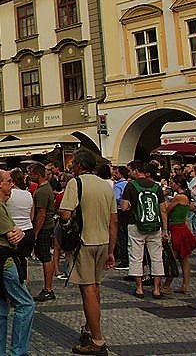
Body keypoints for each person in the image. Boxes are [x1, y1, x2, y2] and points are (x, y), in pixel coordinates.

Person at [60, 149, 117, 356]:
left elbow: (65, 213)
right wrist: (111, 250)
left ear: (79, 165)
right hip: (102, 241)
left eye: (73, 163)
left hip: (85, 241)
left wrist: (69, 221)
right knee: (96, 288)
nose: (71, 166)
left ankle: (97, 340)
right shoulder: (105, 185)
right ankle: (90, 328)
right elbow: (114, 222)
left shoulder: (76, 183)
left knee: (88, 290)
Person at [0, 169, 34, 356]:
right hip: (4, 262)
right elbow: (13, 235)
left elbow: (15, 232)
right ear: (0, 184)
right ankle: (18, 352)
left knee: (1, 305)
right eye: (9, 181)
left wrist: (18, 231)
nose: (12, 184)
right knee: (26, 304)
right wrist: (20, 232)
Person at [121, 161, 167, 299]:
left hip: (136, 225)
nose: (129, 173)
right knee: (156, 257)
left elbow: (124, 207)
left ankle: (139, 289)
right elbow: (163, 209)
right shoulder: (156, 186)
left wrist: (130, 207)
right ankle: (157, 289)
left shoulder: (131, 186)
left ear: (136, 171)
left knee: (136, 256)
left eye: (130, 170)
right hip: (154, 226)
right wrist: (165, 229)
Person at [163, 176, 196, 294]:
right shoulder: (185, 196)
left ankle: (167, 285)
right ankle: (185, 285)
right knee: (184, 258)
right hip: (182, 227)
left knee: (173, 258)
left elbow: (167, 210)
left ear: (178, 184)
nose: (171, 184)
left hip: (177, 229)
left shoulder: (179, 197)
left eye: (172, 183)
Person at [30, 162, 57, 302]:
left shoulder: (42, 191)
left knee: (45, 256)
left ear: (38, 174)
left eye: (31, 173)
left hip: (44, 227)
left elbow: (41, 213)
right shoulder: (45, 188)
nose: (29, 176)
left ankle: (48, 288)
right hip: (47, 226)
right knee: (45, 256)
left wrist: (35, 232)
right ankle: (48, 287)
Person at [6, 168, 35, 287]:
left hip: (14, 232)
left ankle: (16, 288)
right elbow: (31, 215)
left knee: (14, 262)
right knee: (24, 260)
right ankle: (24, 285)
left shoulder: (9, 195)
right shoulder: (28, 194)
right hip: (28, 230)